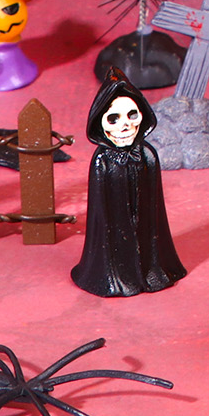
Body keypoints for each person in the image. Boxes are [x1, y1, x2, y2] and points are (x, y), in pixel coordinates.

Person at [70, 73, 186, 297]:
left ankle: (149, 271)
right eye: (113, 119)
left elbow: (155, 205)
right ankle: (118, 276)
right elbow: (99, 209)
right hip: (114, 229)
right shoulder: (102, 160)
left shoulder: (147, 154)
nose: (124, 126)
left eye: (132, 116)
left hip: (144, 224)